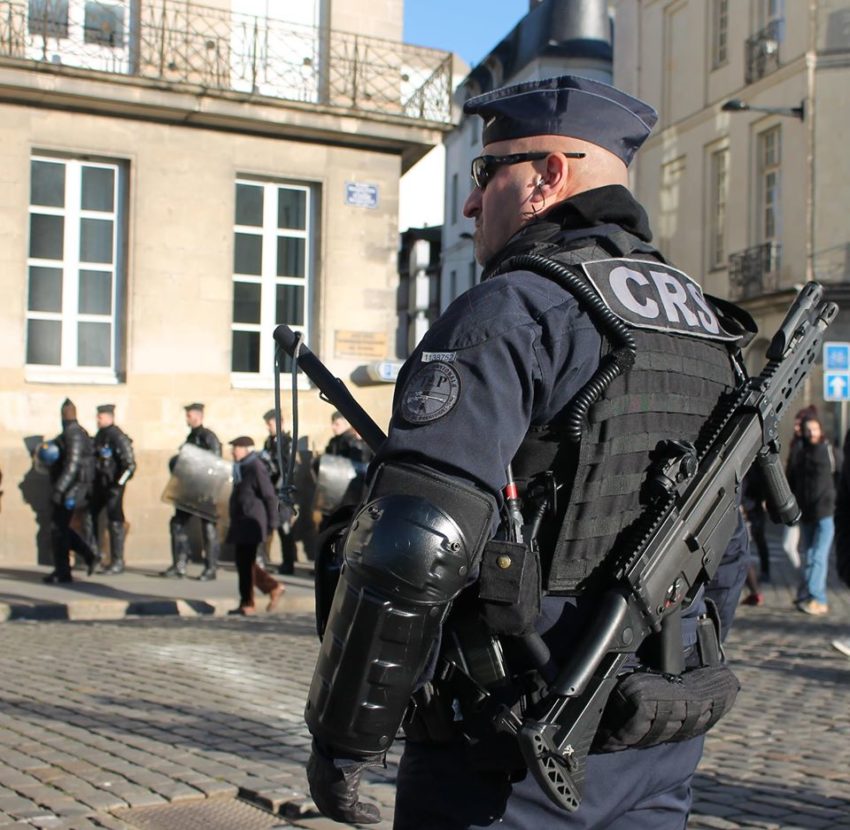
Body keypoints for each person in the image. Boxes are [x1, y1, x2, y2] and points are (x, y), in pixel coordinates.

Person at [303, 75, 752, 829]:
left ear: (547, 176)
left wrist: (343, 740)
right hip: (651, 735)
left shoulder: (511, 310)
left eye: (487, 174)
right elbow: (727, 552)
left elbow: (415, 543)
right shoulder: (706, 326)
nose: (472, 202)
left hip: (507, 752)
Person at [162, 403, 222, 580]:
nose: (186, 419)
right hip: (188, 488)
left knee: (208, 527)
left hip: (204, 488)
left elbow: (215, 463)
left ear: (198, 416)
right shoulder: (191, 437)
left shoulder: (208, 437)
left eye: (189, 415)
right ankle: (179, 564)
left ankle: (211, 568)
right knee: (177, 524)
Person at [788, 414, 841, 616]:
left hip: (826, 512)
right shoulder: (800, 452)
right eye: (808, 429)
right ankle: (810, 596)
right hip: (806, 512)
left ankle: (819, 598)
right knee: (809, 555)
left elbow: (842, 477)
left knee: (818, 556)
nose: (812, 433)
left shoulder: (829, 451)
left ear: (820, 430)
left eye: (815, 429)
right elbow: (791, 479)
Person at [225, 436, 284, 616]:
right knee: (244, 563)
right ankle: (270, 588)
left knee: (246, 564)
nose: (233, 451)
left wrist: (273, 522)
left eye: (236, 447)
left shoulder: (255, 467)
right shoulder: (241, 467)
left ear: (246, 449)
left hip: (252, 523)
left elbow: (269, 495)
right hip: (242, 522)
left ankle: (249, 603)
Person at [42, 399, 97, 584]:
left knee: (59, 529)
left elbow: (72, 466)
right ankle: (86, 556)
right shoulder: (74, 433)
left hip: (73, 490)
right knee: (61, 529)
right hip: (74, 488)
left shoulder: (73, 434)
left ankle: (64, 571)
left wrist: (59, 489)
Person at [89, 404, 136, 575]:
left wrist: (118, 484)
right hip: (100, 485)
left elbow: (130, 465)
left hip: (113, 487)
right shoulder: (100, 436)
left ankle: (117, 561)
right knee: (90, 516)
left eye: (100, 417)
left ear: (109, 417)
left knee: (115, 521)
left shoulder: (118, 437)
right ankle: (95, 556)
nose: (97, 420)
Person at [260, 409, 297, 575]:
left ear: (280, 423)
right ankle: (263, 561)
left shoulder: (287, 442)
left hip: (282, 493)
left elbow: (289, 469)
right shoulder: (269, 441)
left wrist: (282, 490)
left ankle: (288, 564)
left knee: (284, 528)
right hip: (270, 491)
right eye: (267, 424)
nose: (268, 427)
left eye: (270, 424)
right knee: (268, 527)